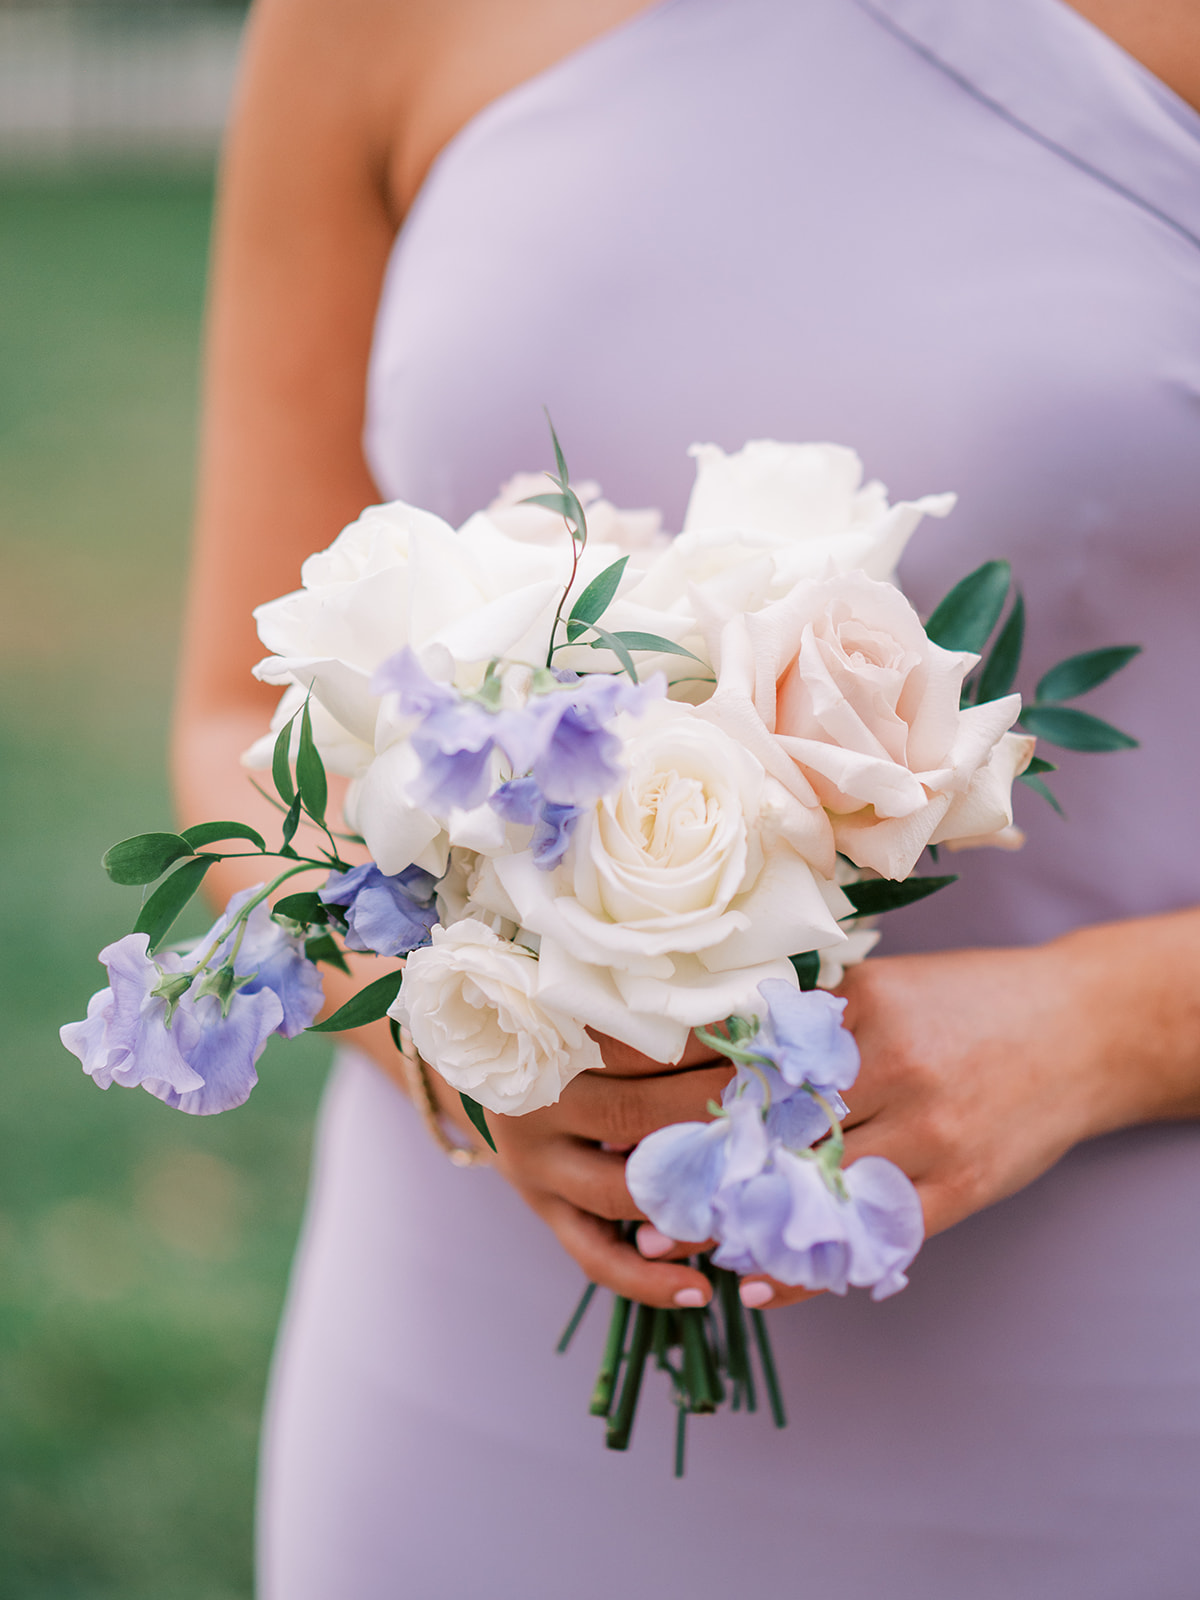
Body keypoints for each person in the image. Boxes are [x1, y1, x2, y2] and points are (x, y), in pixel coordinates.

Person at [174, 0, 1200, 1593]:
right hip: (476, 1370)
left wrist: (1097, 1031)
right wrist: (464, 1045)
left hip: (1125, 1349)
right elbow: (234, 711)